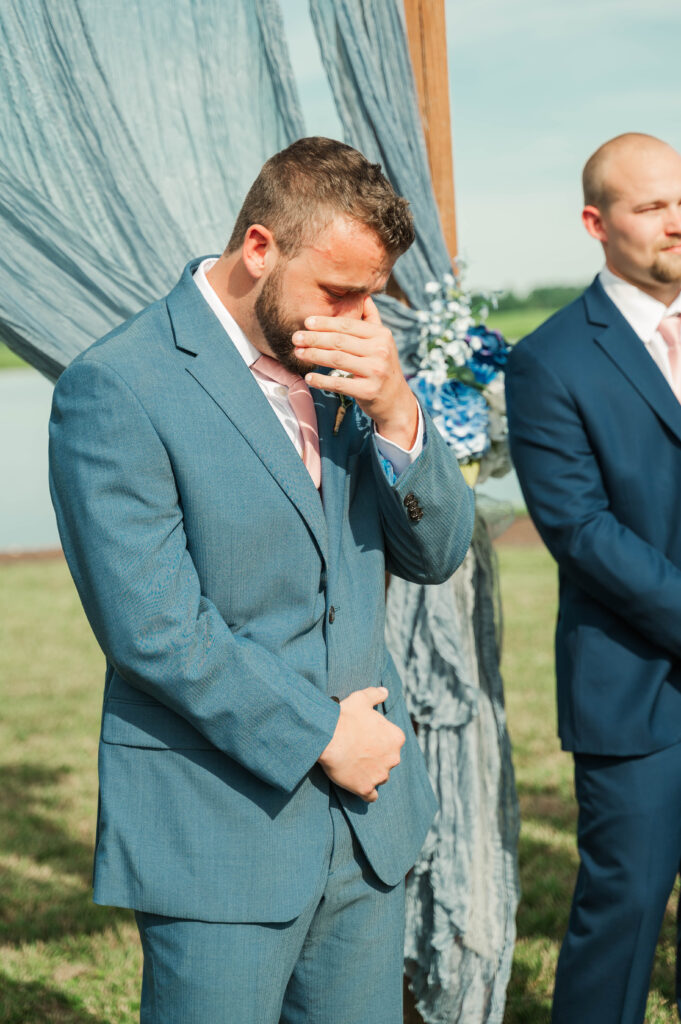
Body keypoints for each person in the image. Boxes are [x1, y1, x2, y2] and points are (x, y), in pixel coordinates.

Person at [48, 136, 474, 1024]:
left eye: (370, 296)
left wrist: (397, 411)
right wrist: (325, 735)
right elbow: (154, 628)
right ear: (258, 247)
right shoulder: (117, 385)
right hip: (216, 826)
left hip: (368, 832)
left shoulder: (346, 369)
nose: (360, 319)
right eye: (340, 290)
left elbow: (434, 556)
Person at [506, 132, 681, 1023]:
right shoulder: (548, 359)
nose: (676, 223)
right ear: (596, 223)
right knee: (621, 922)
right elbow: (580, 531)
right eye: (652, 207)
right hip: (639, 693)